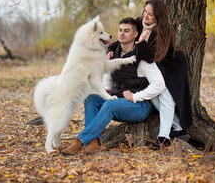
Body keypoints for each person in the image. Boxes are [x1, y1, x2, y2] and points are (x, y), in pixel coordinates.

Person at [61, 17, 166, 156]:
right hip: (118, 100)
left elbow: (159, 84)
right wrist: (106, 88)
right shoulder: (114, 51)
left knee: (110, 105)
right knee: (91, 99)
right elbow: (108, 75)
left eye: (127, 31)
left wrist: (136, 96)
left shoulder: (142, 58)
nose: (122, 33)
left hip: (139, 106)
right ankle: (95, 143)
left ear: (135, 35)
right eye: (120, 30)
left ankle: (79, 142)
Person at [108, 0, 193, 149]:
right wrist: (111, 48)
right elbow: (126, 34)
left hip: (171, 66)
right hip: (153, 67)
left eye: (150, 14)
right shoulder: (140, 22)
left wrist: (141, 43)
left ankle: (164, 138)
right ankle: (178, 128)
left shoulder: (164, 31)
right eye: (145, 11)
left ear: (158, 17)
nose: (146, 16)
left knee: (165, 95)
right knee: (154, 97)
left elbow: (152, 57)